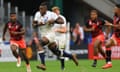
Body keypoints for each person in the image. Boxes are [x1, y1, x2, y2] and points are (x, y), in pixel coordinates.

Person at [33, 2, 64, 70]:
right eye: (40, 9)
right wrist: (38, 24)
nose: (40, 10)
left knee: (39, 43)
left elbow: (61, 21)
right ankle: (69, 55)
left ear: (46, 9)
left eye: (42, 9)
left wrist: (54, 21)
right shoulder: (37, 14)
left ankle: (43, 64)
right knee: (55, 51)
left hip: (51, 34)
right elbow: (34, 25)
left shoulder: (51, 14)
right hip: (43, 35)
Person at [102, 4, 120, 69]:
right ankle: (109, 63)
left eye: (115, 8)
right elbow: (113, 26)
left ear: (119, 9)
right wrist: (107, 34)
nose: (114, 10)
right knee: (107, 44)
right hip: (116, 35)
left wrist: (111, 24)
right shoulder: (115, 16)